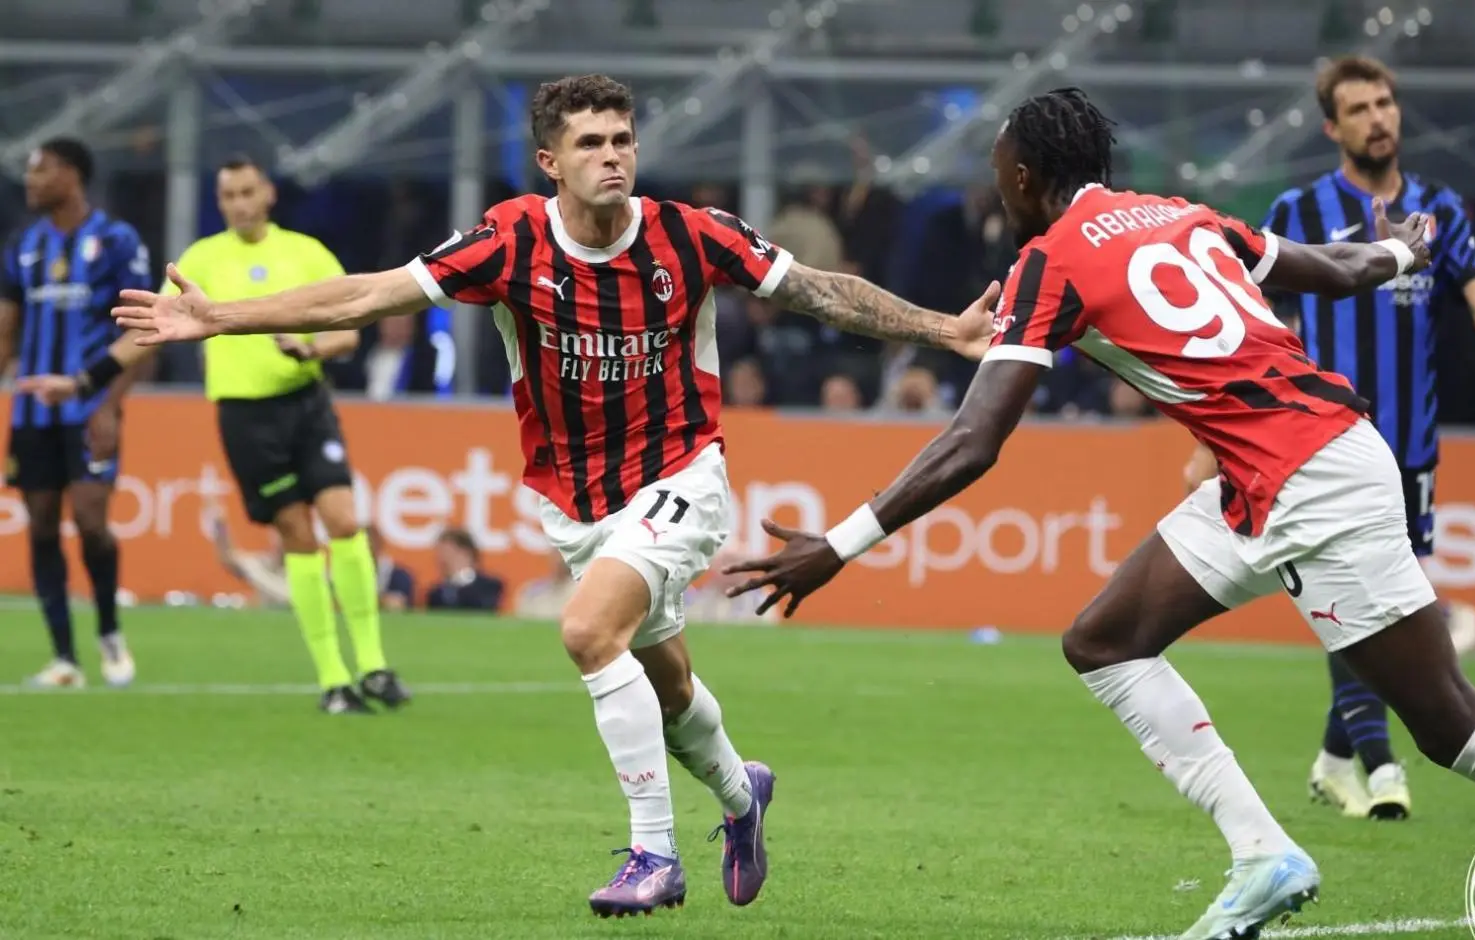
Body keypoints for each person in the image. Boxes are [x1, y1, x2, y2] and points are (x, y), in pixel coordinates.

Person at [101, 73, 997, 917]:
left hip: (682, 474)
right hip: (577, 503)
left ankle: (653, 854)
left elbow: (818, 291)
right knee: (670, 687)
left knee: (586, 631)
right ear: (550, 162)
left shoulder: (693, 234)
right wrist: (219, 318)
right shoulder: (508, 242)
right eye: (591, 143)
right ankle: (741, 795)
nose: (613, 156)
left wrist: (943, 330)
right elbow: (371, 295)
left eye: (623, 140)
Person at [722, 88, 1475, 940]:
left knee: (1447, 725)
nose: (999, 190)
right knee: (1104, 640)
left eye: (1000, 173)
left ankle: (1266, 853)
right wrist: (1400, 250)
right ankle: (1263, 856)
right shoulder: (1184, 215)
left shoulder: (1050, 260)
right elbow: (1337, 269)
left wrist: (838, 545)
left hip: (1314, 482)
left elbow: (973, 441)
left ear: (1025, 176)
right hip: (1281, 472)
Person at [1197, 55, 1475, 822]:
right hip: (1319, 447)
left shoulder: (1438, 209)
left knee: (1386, 608)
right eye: (1360, 108)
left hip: (1412, 450)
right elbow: (1240, 315)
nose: (1379, 118)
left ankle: (1335, 761)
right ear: (1333, 127)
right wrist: (1215, 428)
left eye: (1386, 102)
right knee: (1355, 600)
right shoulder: (1299, 211)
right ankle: (1380, 762)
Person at [17, 155, 410, 717]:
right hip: (245, 417)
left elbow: (349, 329)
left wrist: (311, 348)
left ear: (268, 194)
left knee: (344, 521)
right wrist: (83, 381)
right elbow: (151, 330)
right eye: (228, 195)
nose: (239, 204)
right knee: (298, 535)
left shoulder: (305, 252)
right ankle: (334, 680)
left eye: (247, 192)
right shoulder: (202, 258)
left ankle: (373, 665)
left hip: (307, 404)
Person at [0, 138, 149, 689]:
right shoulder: (23, 244)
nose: (31, 180)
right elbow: (6, 328)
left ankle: (108, 630)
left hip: (89, 406)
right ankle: (64, 657)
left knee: (91, 522)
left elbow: (141, 329)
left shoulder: (116, 240)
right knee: (41, 525)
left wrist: (110, 406)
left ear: (71, 175)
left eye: (41, 170)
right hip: (32, 412)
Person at [424, 527, 505, 612]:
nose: (443, 558)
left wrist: (460, 580)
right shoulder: (436, 593)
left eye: (449, 552)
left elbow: (483, 607)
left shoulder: (489, 585)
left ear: (465, 553)